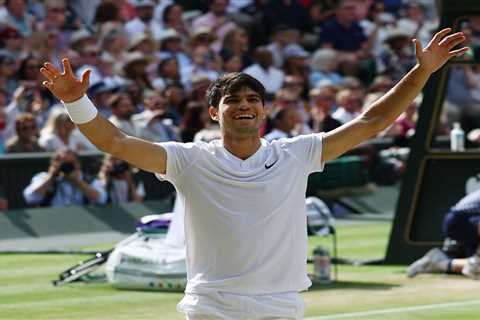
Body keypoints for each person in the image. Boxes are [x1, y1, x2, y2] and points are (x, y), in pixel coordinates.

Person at [40, 28, 467, 319]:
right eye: (232, 99)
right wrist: (77, 102)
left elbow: (372, 123)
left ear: (264, 110)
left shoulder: (297, 153)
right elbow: (114, 143)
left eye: (252, 98)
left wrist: (423, 71)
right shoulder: (189, 159)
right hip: (211, 306)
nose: (244, 105)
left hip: (280, 306)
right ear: (214, 111)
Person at [407, 188, 480, 280]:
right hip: (461, 221)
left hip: (462, 220)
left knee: (475, 265)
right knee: (476, 266)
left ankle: (439, 262)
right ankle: (474, 265)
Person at [23, 148, 107, 207]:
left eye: (70, 163)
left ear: (78, 164)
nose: (67, 167)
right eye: (63, 163)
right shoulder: (43, 177)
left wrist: (77, 181)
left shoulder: (88, 179)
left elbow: (101, 199)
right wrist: (51, 177)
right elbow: (30, 198)